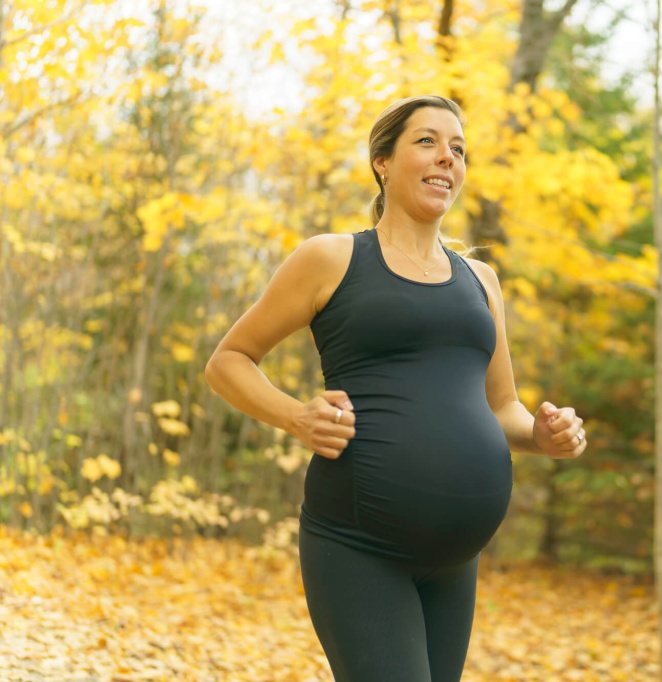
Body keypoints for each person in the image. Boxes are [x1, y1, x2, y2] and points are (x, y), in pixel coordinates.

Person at [205, 94, 587, 682]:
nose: (447, 158)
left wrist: (542, 434)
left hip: (455, 560)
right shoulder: (332, 258)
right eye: (428, 141)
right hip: (359, 547)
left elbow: (502, 408)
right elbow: (229, 360)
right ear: (382, 160)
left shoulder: (481, 281)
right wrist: (294, 416)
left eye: (458, 148)